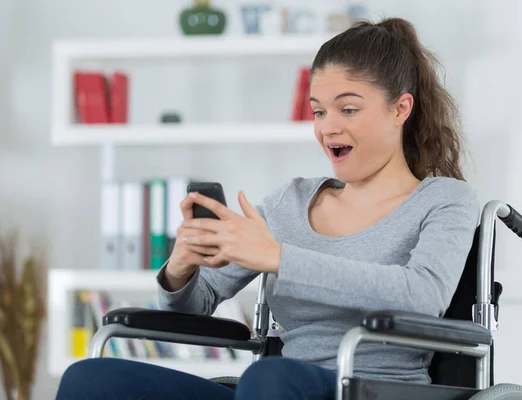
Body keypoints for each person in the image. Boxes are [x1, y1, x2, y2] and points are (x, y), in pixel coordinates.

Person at [56, 16, 480, 400]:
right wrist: (182, 268)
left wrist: (279, 258)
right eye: (318, 111)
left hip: (376, 391)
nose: (328, 126)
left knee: (270, 378)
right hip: (275, 391)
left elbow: (423, 295)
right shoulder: (290, 202)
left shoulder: (444, 200)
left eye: (348, 109)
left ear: (399, 109)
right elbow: (192, 308)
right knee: (89, 380)